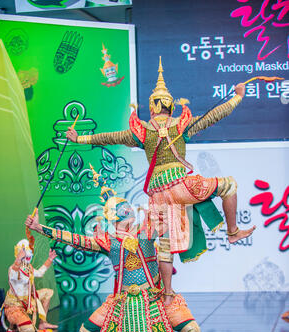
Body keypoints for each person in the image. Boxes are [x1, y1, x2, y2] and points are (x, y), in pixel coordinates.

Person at [66, 57, 255, 305]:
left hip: (157, 193)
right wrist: (237, 97)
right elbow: (214, 115)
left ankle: (166, 294)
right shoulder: (180, 125)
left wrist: (79, 139)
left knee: (164, 243)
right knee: (228, 185)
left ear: (152, 107)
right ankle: (232, 232)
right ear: (170, 106)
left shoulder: (143, 131)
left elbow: (110, 137)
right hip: (181, 185)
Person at [25, 170, 216, 332]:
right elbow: (73, 238)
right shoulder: (107, 241)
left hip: (155, 298)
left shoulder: (147, 231)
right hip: (122, 302)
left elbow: (166, 221)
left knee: (192, 330)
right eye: (123, 215)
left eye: (129, 214)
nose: (128, 217)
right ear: (113, 219)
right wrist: (39, 228)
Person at [0, 232, 58, 332]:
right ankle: (14, 323)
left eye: (30, 252)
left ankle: (43, 323)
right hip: (15, 306)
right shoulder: (13, 269)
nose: (29, 255)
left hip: (28, 301)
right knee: (29, 331)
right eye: (26, 253)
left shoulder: (28, 267)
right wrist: (18, 259)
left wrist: (49, 260)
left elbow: (39, 273)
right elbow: (13, 275)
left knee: (48, 293)